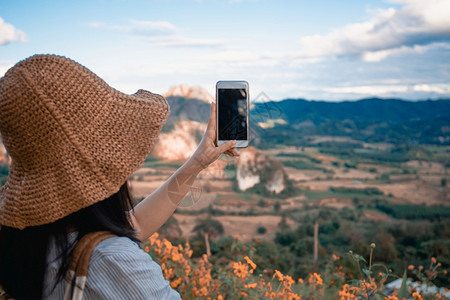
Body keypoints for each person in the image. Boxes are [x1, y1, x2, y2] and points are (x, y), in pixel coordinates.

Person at [0, 54, 239, 299]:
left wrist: (197, 162)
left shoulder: (32, 239)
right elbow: (111, 247)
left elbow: (131, 226)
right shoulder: (114, 262)